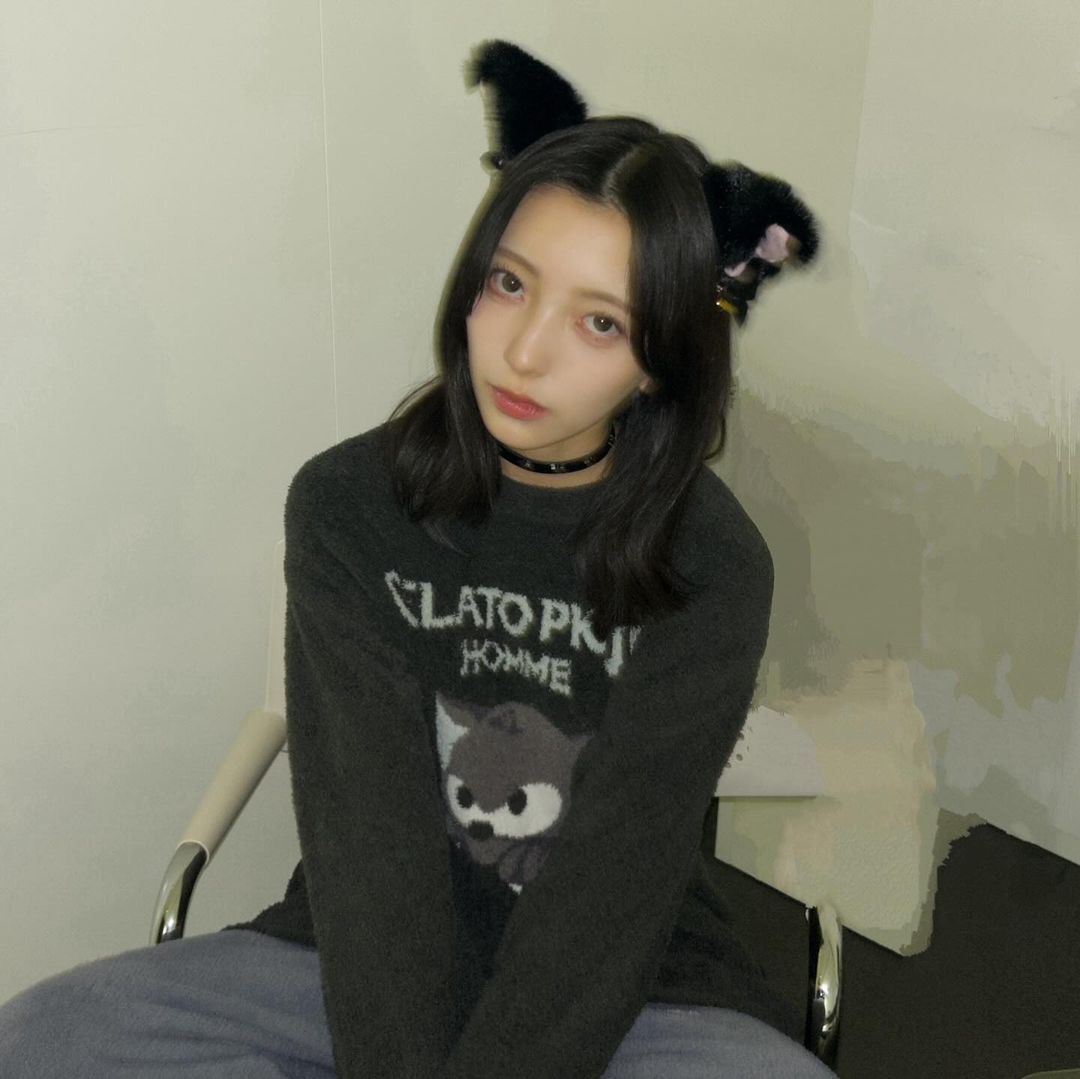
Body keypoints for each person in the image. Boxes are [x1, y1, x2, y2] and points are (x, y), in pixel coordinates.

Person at [0, 40, 832, 1079]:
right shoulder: (350, 506)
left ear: (662, 359)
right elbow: (371, 848)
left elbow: (614, 882)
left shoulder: (713, 561)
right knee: (40, 1038)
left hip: (631, 981)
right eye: (510, 283)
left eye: (599, 321)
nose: (524, 352)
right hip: (361, 952)